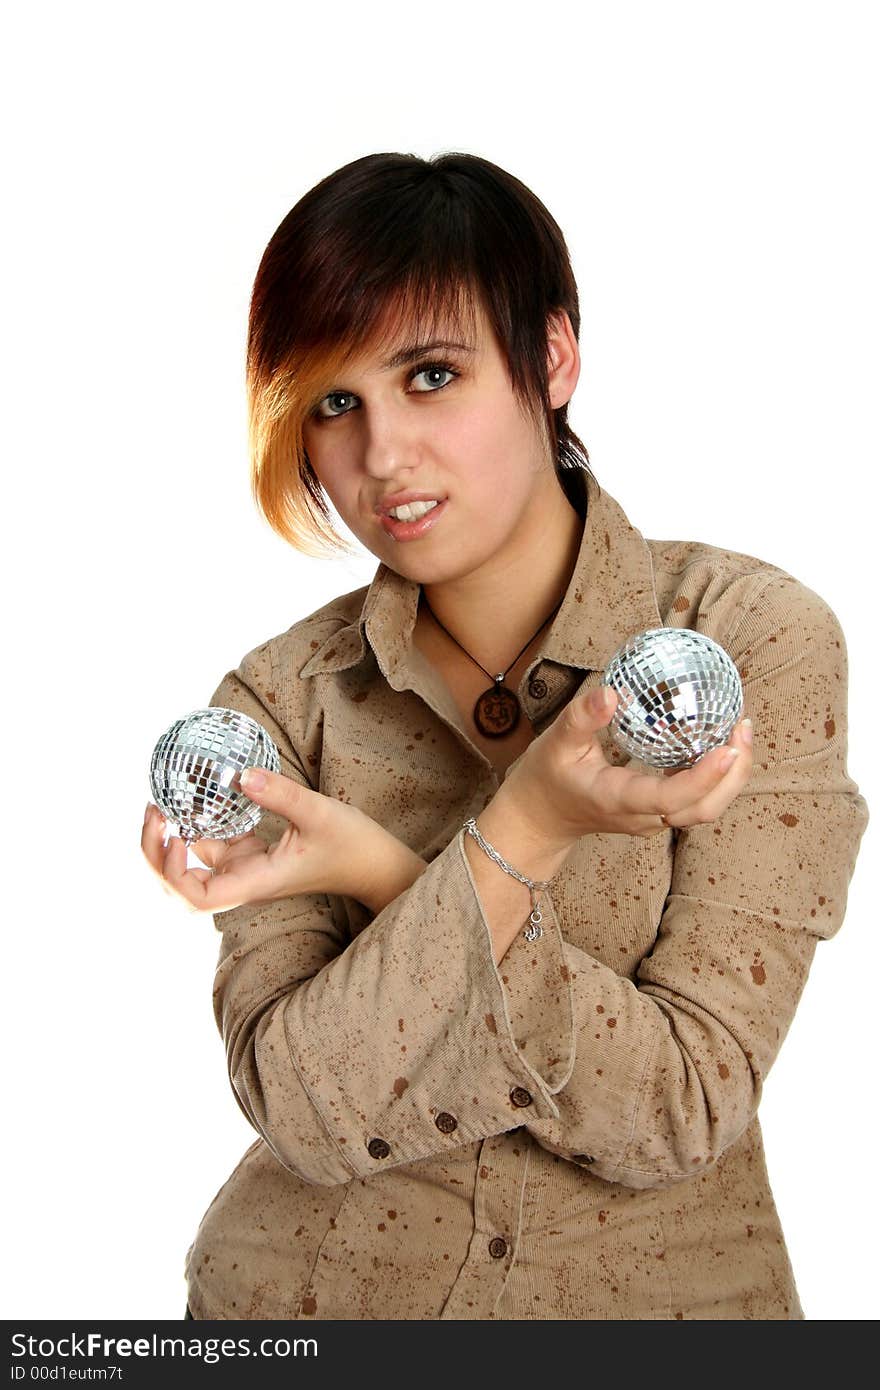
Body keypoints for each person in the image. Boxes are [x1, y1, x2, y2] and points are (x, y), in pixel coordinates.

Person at [141, 152, 868, 1320]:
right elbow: (308, 1108)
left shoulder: (740, 643)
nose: (383, 456)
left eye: (431, 374)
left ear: (552, 357)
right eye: (335, 401)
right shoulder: (276, 703)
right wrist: (524, 831)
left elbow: (686, 1098)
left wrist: (384, 872)